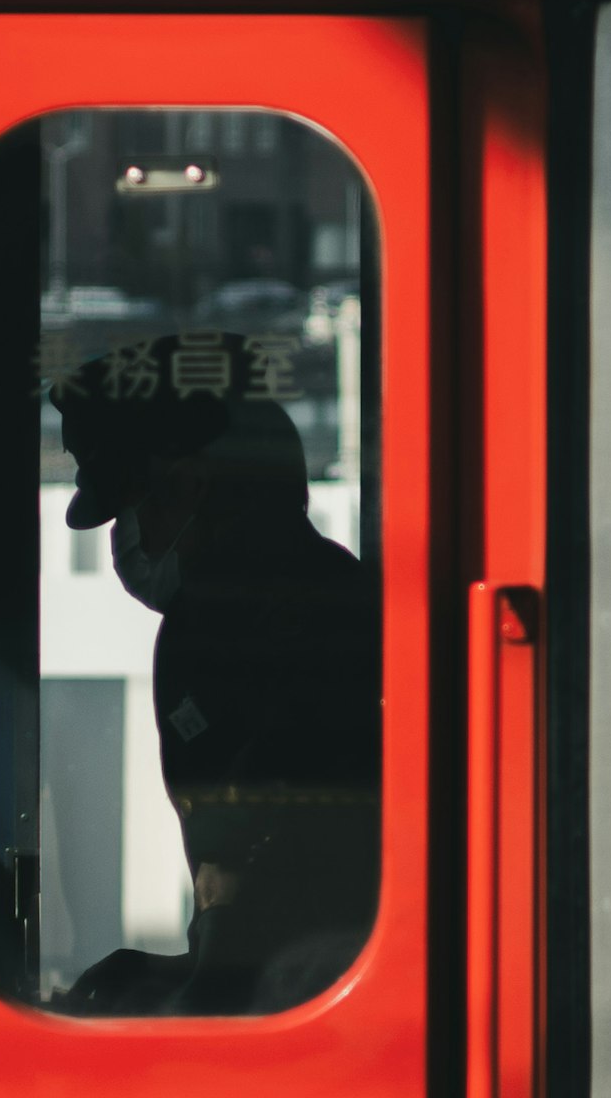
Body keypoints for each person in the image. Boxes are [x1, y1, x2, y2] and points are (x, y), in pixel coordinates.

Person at [49, 332, 377, 1016]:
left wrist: (189, 1005)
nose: (131, 537)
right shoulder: (328, 591)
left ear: (191, 484)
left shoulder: (226, 629)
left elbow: (258, 872)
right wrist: (177, 977)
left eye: (140, 505)